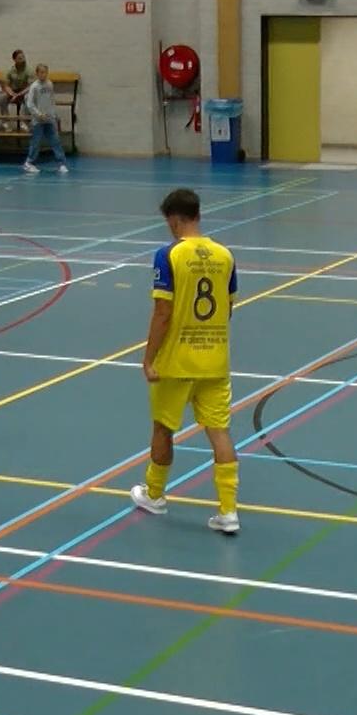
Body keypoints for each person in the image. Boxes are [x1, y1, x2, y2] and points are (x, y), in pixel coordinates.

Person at [129, 188, 242, 536]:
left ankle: (155, 494)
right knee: (219, 432)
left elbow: (162, 312)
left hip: (176, 362)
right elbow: (228, 307)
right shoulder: (226, 256)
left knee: (163, 427)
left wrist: (148, 358)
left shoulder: (169, 255)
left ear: (175, 219)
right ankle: (228, 512)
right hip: (215, 362)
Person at [19, 63, 71, 175]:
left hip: (49, 119)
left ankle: (61, 163)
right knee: (36, 142)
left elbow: (52, 100)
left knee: (55, 141)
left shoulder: (49, 84)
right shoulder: (34, 87)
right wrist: (38, 114)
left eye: (45, 72)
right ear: (37, 73)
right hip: (38, 120)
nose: (43, 74)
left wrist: (54, 114)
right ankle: (29, 163)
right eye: (41, 72)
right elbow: (30, 104)